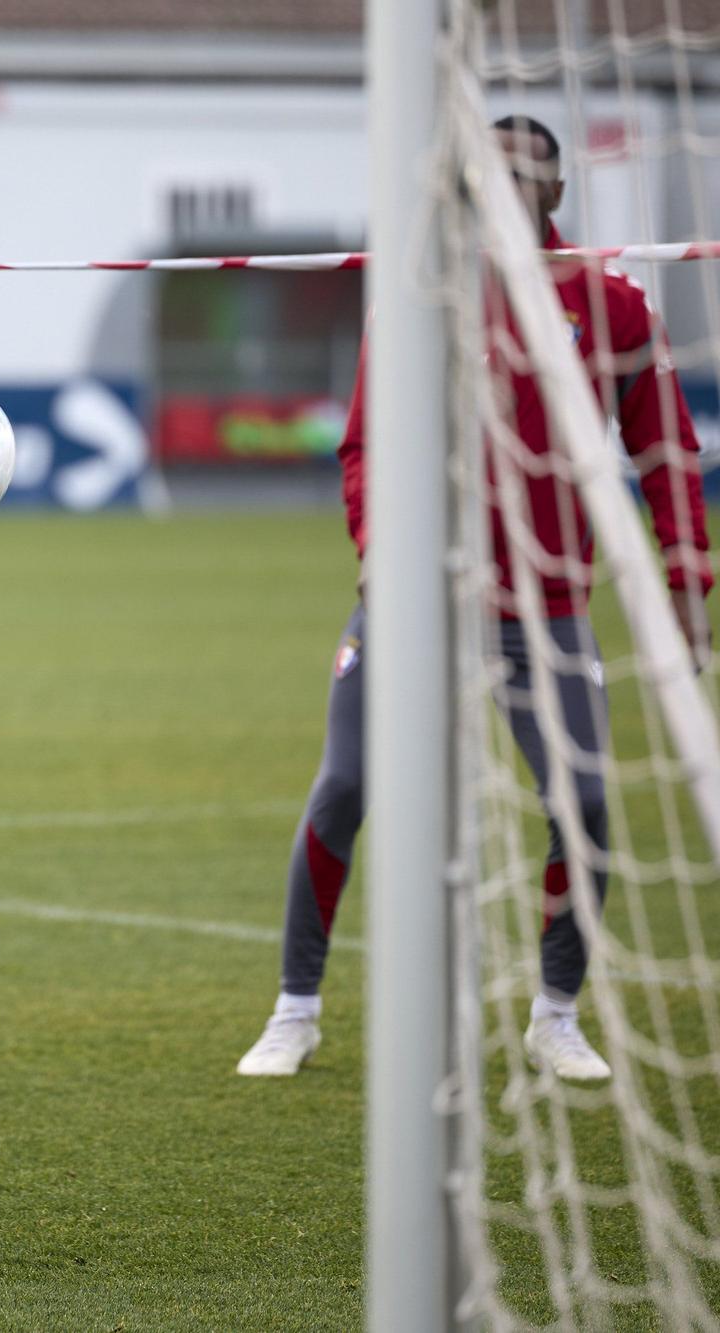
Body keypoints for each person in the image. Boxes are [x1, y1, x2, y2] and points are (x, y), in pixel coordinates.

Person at [236, 115, 712, 1081]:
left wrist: (687, 580)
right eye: (483, 176)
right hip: (413, 601)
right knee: (345, 786)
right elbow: (365, 444)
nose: (500, 191)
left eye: (521, 176)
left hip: (549, 611)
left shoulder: (614, 307)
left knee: (585, 799)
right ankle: (295, 1010)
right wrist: (378, 549)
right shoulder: (418, 297)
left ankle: (556, 1015)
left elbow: (666, 454)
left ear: (556, 192)